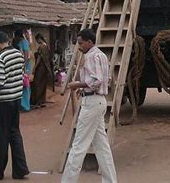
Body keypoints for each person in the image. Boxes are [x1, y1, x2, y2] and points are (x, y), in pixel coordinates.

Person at [61, 28, 117, 183]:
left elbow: (96, 80)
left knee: (78, 146)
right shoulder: (102, 55)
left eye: (81, 43)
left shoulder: (91, 56)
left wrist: (77, 84)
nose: (79, 46)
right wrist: (83, 88)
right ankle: (110, 180)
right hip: (98, 101)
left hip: (92, 103)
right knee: (102, 147)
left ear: (89, 42)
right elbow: (104, 80)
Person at [0, 31, 30, 181]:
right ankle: (20, 169)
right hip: (16, 98)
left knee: (1, 136)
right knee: (15, 133)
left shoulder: (0, 57)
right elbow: (20, 75)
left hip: (3, 101)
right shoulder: (18, 54)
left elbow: (0, 82)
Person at [31, 33, 54, 108]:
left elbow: (39, 59)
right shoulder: (46, 45)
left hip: (41, 67)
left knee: (37, 84)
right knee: (42, 83)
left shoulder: (41, 46)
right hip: (45, 68)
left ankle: (38, 101)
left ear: (38, 39)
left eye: (37, 40)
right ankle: (41, 101)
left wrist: (34, 68)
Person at [13, 29, 32, 112]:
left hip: (24, 66)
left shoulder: (23, 42)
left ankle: (25, 106)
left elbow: (26, 55)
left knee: (25, 85)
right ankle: (22, 105)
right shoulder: (21, 42)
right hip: (22, 65)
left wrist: (23, 65)